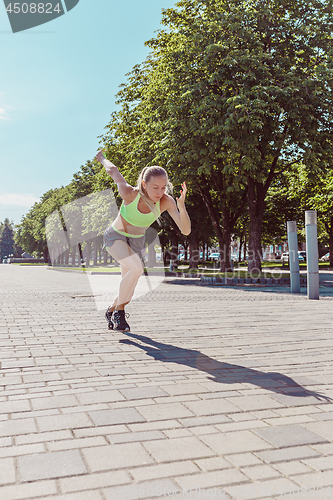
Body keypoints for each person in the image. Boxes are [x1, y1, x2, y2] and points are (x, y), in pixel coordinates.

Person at [95, 150, 191, 332]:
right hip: (116, 236)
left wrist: (181, 206)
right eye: (155, 187)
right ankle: (119, 314)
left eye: (163, 187)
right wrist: (102, 158)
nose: (160, 192)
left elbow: (185, 230)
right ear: (144, 184)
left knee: (128, 290)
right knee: (137, 269)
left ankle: (112, 310)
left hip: (136, 242)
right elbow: (114, 171)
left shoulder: (166, 201)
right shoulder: (130, 194)